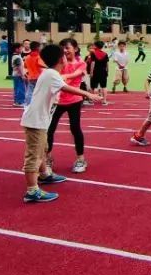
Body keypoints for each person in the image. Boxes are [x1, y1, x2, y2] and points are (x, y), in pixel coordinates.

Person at [20, 43, 99, 204]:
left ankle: (45, 175)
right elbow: (66, 88)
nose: (66, 56)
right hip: (35, 121)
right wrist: (88, 94)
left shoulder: (50, 73)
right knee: (34, 156)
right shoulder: (51, 74)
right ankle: (32, 191)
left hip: (40, 120)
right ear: (60, 59)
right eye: (63, 54)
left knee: (43, 149)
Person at [46, 38, 90, 175]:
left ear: (75, 49)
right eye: (62, 48)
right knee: (49, 129)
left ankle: (81, 159)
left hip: (74, 101)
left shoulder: (81, 63)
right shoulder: (59, 63)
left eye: (67, 48)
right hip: (57, 101)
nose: (65, 51)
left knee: (75, 128)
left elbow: (74, 75)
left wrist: (62, 76)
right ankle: (47, 158)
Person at [86, 40, 110, 105]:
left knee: (92, 87)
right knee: (104, 87)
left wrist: (91, 72)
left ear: (96, 46)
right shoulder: (105, 54)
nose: (93, 46)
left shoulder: (93, 53)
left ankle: (91, 101)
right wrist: (107, 71)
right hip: (103, 72)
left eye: (94, 45)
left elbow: (93, 63)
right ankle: (104, 101)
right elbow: (107, 64)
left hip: (95, 72)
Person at [24, 41, 43, 105]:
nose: (41, 48)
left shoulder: (27, 57)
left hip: (31, 77)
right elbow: (41, 64)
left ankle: (28, 105)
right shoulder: (39, 57)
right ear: (37, 48)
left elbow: (25, 66)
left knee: (30, 92)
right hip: (39, 77)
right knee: (40, 92)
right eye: (40, 47)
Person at [10, 42, 26, 107]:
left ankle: (17, 101)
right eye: (21, 48)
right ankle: (19, 102)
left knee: (17, 88)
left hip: (16, 74)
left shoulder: (16, 56)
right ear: (17, 49)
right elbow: (19, 66)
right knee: (20, 89)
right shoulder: (17, 57)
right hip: (18, 75)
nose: (22, 49)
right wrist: (22, 75)